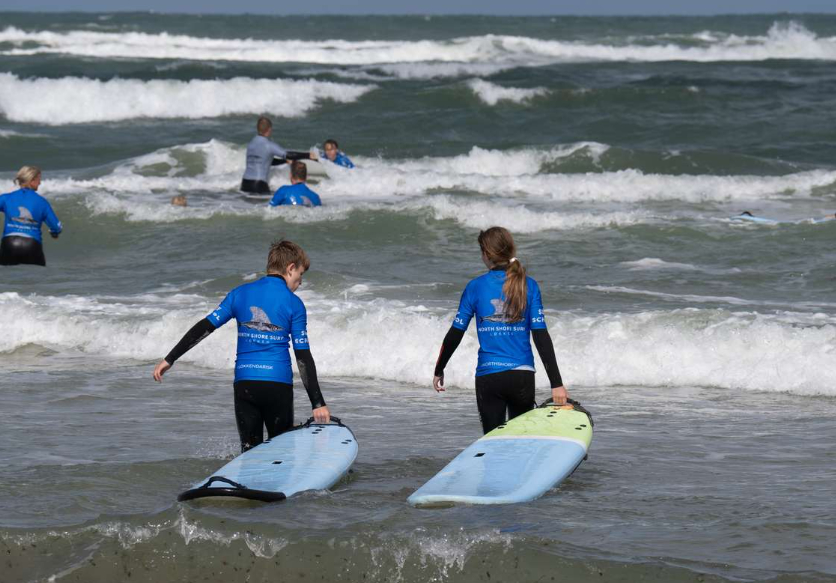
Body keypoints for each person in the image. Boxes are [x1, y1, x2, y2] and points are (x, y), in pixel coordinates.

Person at [152, 240, 331, 451]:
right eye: (300, 275)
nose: (300, 282)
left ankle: (243, 482)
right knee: (281, 453)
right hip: (277, 386)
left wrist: (170, 358)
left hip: (245, 384)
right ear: (291, 268)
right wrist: (317, 403)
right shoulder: (294, 303)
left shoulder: (239, 293)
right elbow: (302, 355)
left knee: (249, 451)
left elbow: (205, 327)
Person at [432, 226, 568, 434]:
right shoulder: (529, 285)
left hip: (490, 377)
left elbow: (455, 333)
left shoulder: (475, 287)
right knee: (520, 439)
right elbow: (541, 336)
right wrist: (556, 384)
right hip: (522, 377)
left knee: (493, 441)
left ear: (486, 254)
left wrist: (439, 368)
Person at [0, 165, 62, 267]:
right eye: (38, 179)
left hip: (9, 243)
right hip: (31, 245)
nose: (40, 183)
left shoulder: (6, 198)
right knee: (37, 280)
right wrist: (54, 234)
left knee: (6, 279)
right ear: (32, 180)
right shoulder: (42, 202)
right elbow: (56, 227)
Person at [241, 116, 315, 194]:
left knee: (246, 206)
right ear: (269, 129)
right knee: (267, 205)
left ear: (257, 128)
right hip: (258, 185)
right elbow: (289, 154)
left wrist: (285, 161)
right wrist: (308, 155)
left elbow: (267, 161)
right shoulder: (269, 145)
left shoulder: (251, 144)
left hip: (245, 184)